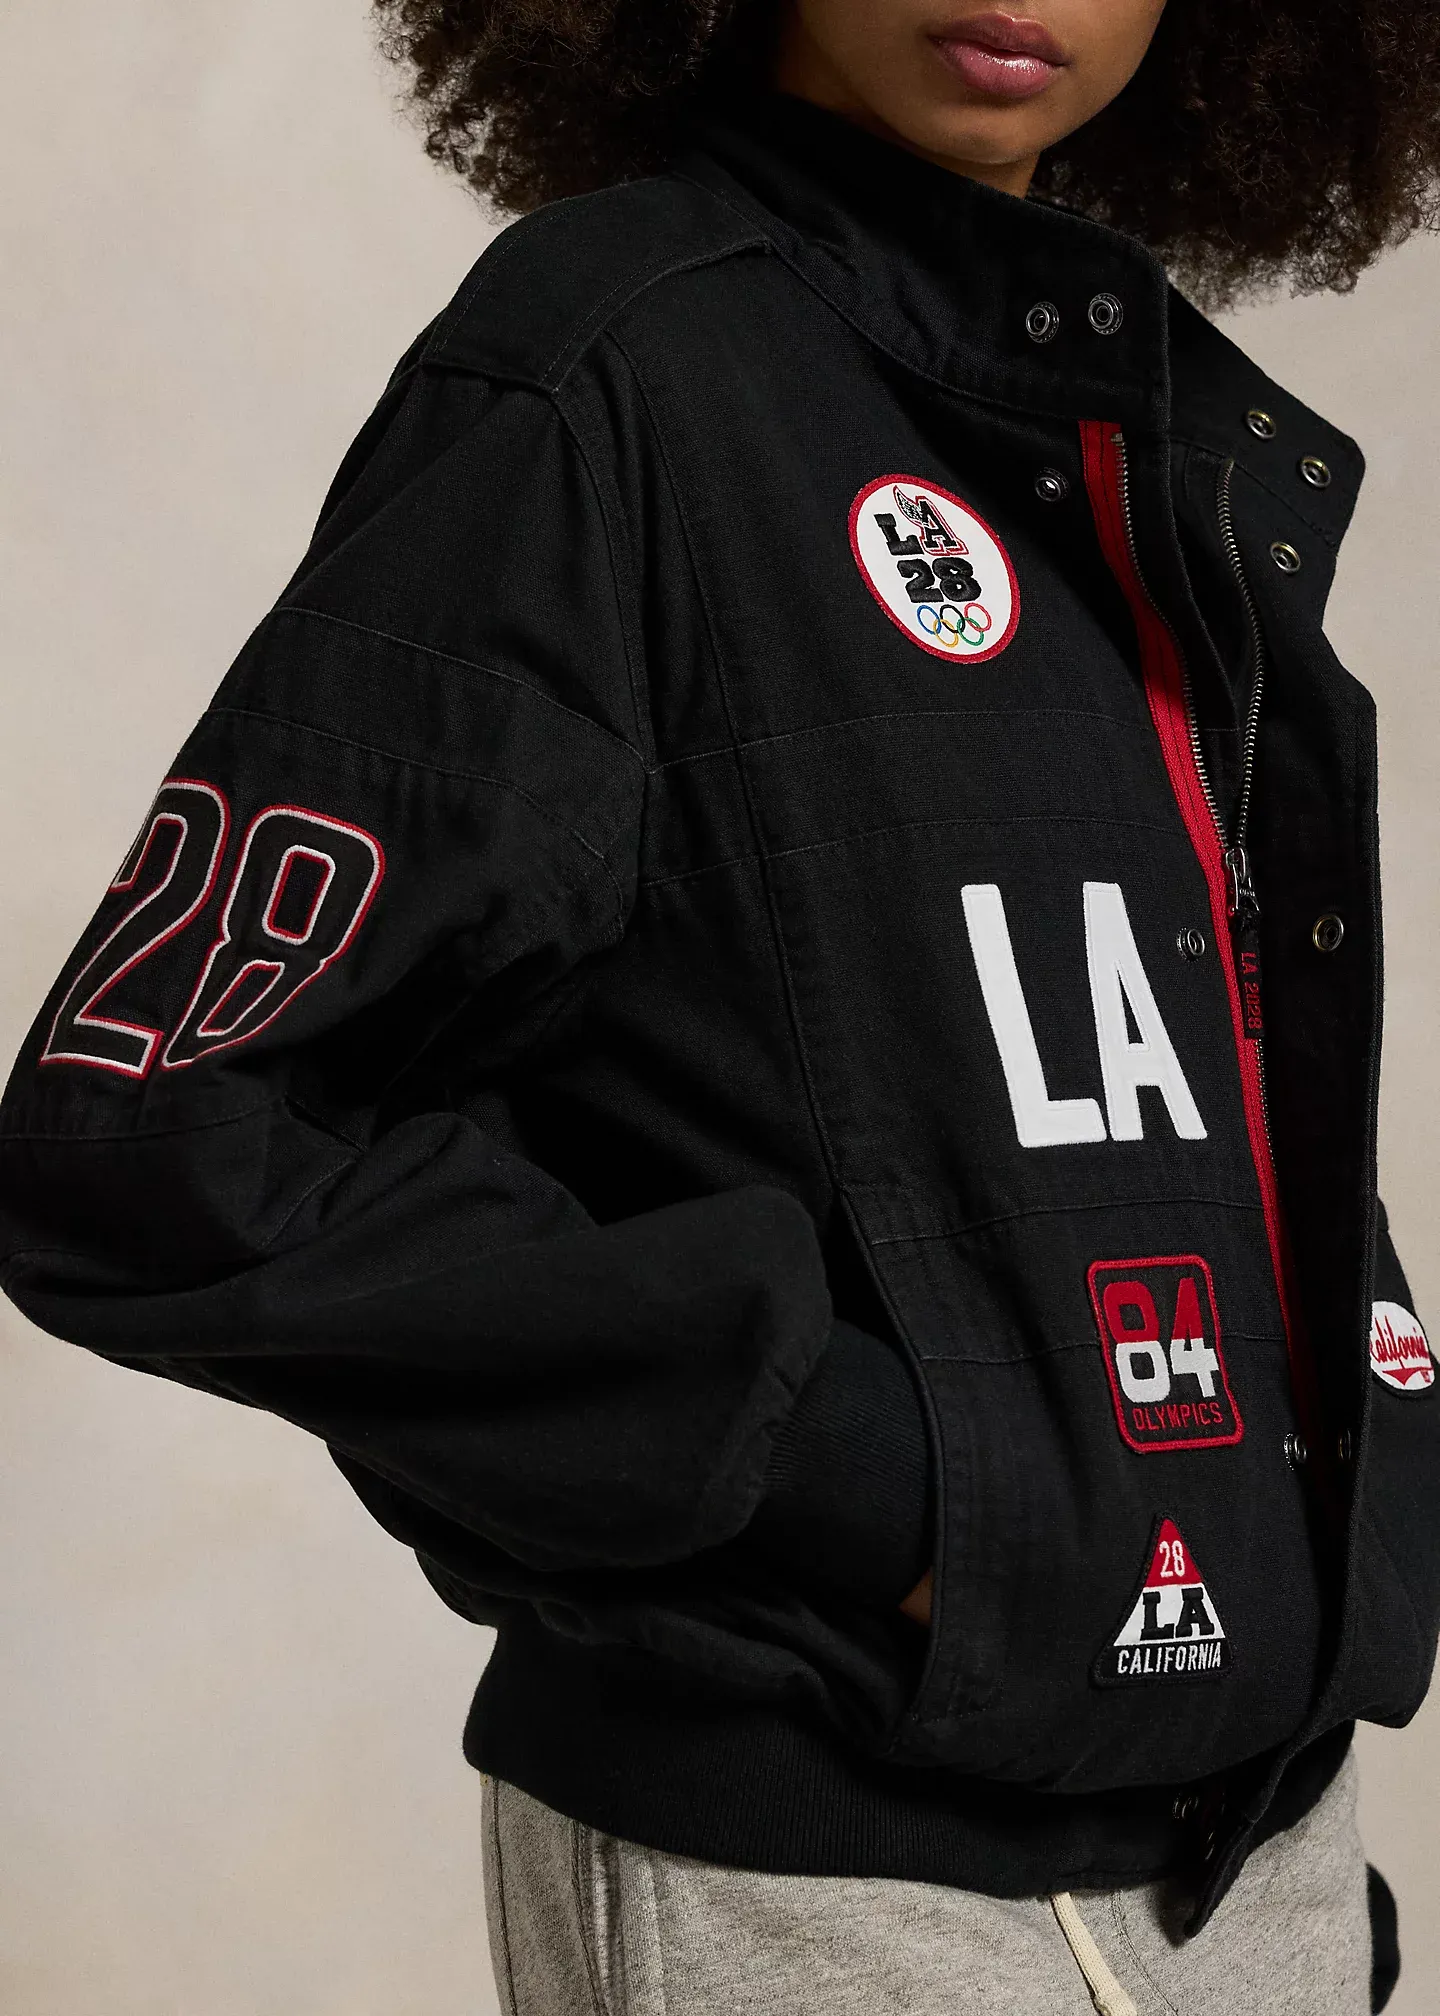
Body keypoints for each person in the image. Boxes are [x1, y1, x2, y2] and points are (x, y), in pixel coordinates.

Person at [2, 0, 1436, 2007]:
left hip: (1264, 1856)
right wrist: (874, 1484)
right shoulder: (612, 366)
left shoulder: (1124, 413)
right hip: (846, 1877)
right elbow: (155, 1140)